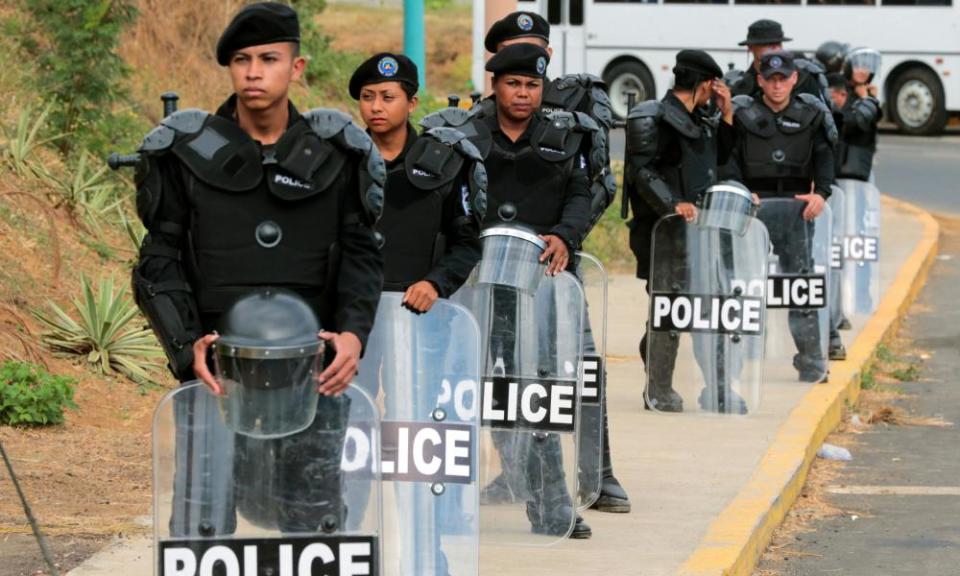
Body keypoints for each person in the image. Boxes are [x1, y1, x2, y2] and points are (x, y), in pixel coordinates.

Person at [130, 2, 384, 535]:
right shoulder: (188, 156)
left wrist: (354, 335)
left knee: (312, 525)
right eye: (241, 59)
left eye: (268, 58)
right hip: (218, 375)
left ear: (296, 67)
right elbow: (158, 261)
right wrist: (186, 346)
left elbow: (362, 253)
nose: (252, 71)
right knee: (204, 526)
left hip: (312, 372)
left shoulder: (337, 154)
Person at [478, 10, 630, 514]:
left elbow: (599, 185)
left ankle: (599, 474)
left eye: (539, 49)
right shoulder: (477, 118)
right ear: (495, 67)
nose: (531, 62)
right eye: (518, 52)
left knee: (578, 368)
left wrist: (565, 238)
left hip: (555, 268)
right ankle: (516, 471)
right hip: (496, 271)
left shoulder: (578, 108)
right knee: (501, 371)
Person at [472, 43, 595, 538]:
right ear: (496, 85)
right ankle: (452, 500)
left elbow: (581, 194)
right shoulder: (464, 134)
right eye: (513, 84)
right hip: (476, 283)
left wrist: (565, 235)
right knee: (476, 389)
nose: (522, 94)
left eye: (532, 85)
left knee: (537, 390)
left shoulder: (563, 136)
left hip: (537, 286)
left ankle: (553, 510)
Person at [623, 50, 743, 412]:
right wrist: (672, 204)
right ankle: (658, 389)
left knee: (705, 308)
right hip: (664, 230)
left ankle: (717, 388)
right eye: (713, 87)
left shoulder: (701, 118)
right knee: (669, 308)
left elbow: (721, 159)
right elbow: (642, 172)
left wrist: (727, 114)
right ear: (705, 83)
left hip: (700, 232)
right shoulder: (653, 118)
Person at [725, 50, 837, 383]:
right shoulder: (742, 113)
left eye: (782, 79)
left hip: (796, 210)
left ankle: (811, 361)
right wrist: (741, 191)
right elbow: (727, 157)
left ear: (793, 79)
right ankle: (734, 363)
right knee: (741, 286)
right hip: (753, 211)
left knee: (799, 285)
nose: (776, 86)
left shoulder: (811, 114)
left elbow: (825, 157)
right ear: (759, 80)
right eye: (769, 79)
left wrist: (822, 194)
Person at [350, 52, 484, 312]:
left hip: (420, 316)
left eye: (388, 97)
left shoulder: (446, 164)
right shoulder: (341, 160)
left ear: (412, 104)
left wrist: (435, 284)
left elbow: (467, 244)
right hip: (350, 315)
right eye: (368, 97)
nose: (376, 107)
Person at [728, 19, 831, 106]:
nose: (774, 48)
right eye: (766, 44)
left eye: (778, 43)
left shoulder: (804, 78)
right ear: (751, 47)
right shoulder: (742, 89)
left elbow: (823, 117)